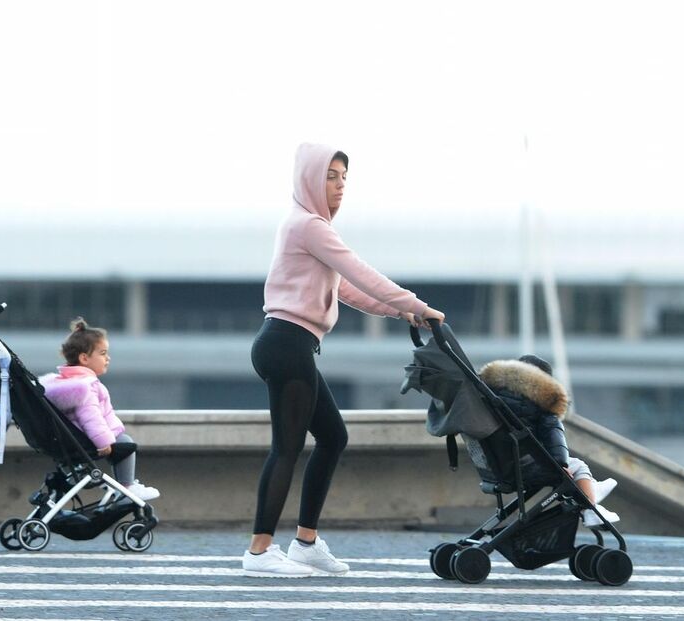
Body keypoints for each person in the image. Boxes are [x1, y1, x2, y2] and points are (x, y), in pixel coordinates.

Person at [243, 143, 446, 578]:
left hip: (290, 345)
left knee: (333, 437)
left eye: (343, 179)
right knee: (288, 447)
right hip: (286, 344)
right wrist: (418, 303)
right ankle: (259, 552)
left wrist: (401, 312)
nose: (338, 187)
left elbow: (346, 288)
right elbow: (359, 271)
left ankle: (306, 543)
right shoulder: (309, 225)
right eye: (330, 177)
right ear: (309, 180)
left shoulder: (307, 228)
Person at [479, 354, 619, 528]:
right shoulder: (544, 401)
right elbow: (554, 437)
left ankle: (590, 495)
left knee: (572, 474)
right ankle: (591, 507)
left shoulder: (492, 397)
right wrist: (561, 464)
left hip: (497, 468)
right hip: (527, 469)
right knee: (578, 466)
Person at [40, 318, 160, 502]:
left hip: (71, 441)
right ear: (84, 358)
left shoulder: (65, 384)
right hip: (90, 440)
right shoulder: (86, 387)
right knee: (125, 444)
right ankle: (127, 487)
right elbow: (90, 416)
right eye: (103, 353)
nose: (108, 358)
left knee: (121, 443)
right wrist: (103, 442)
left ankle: (123, 487)